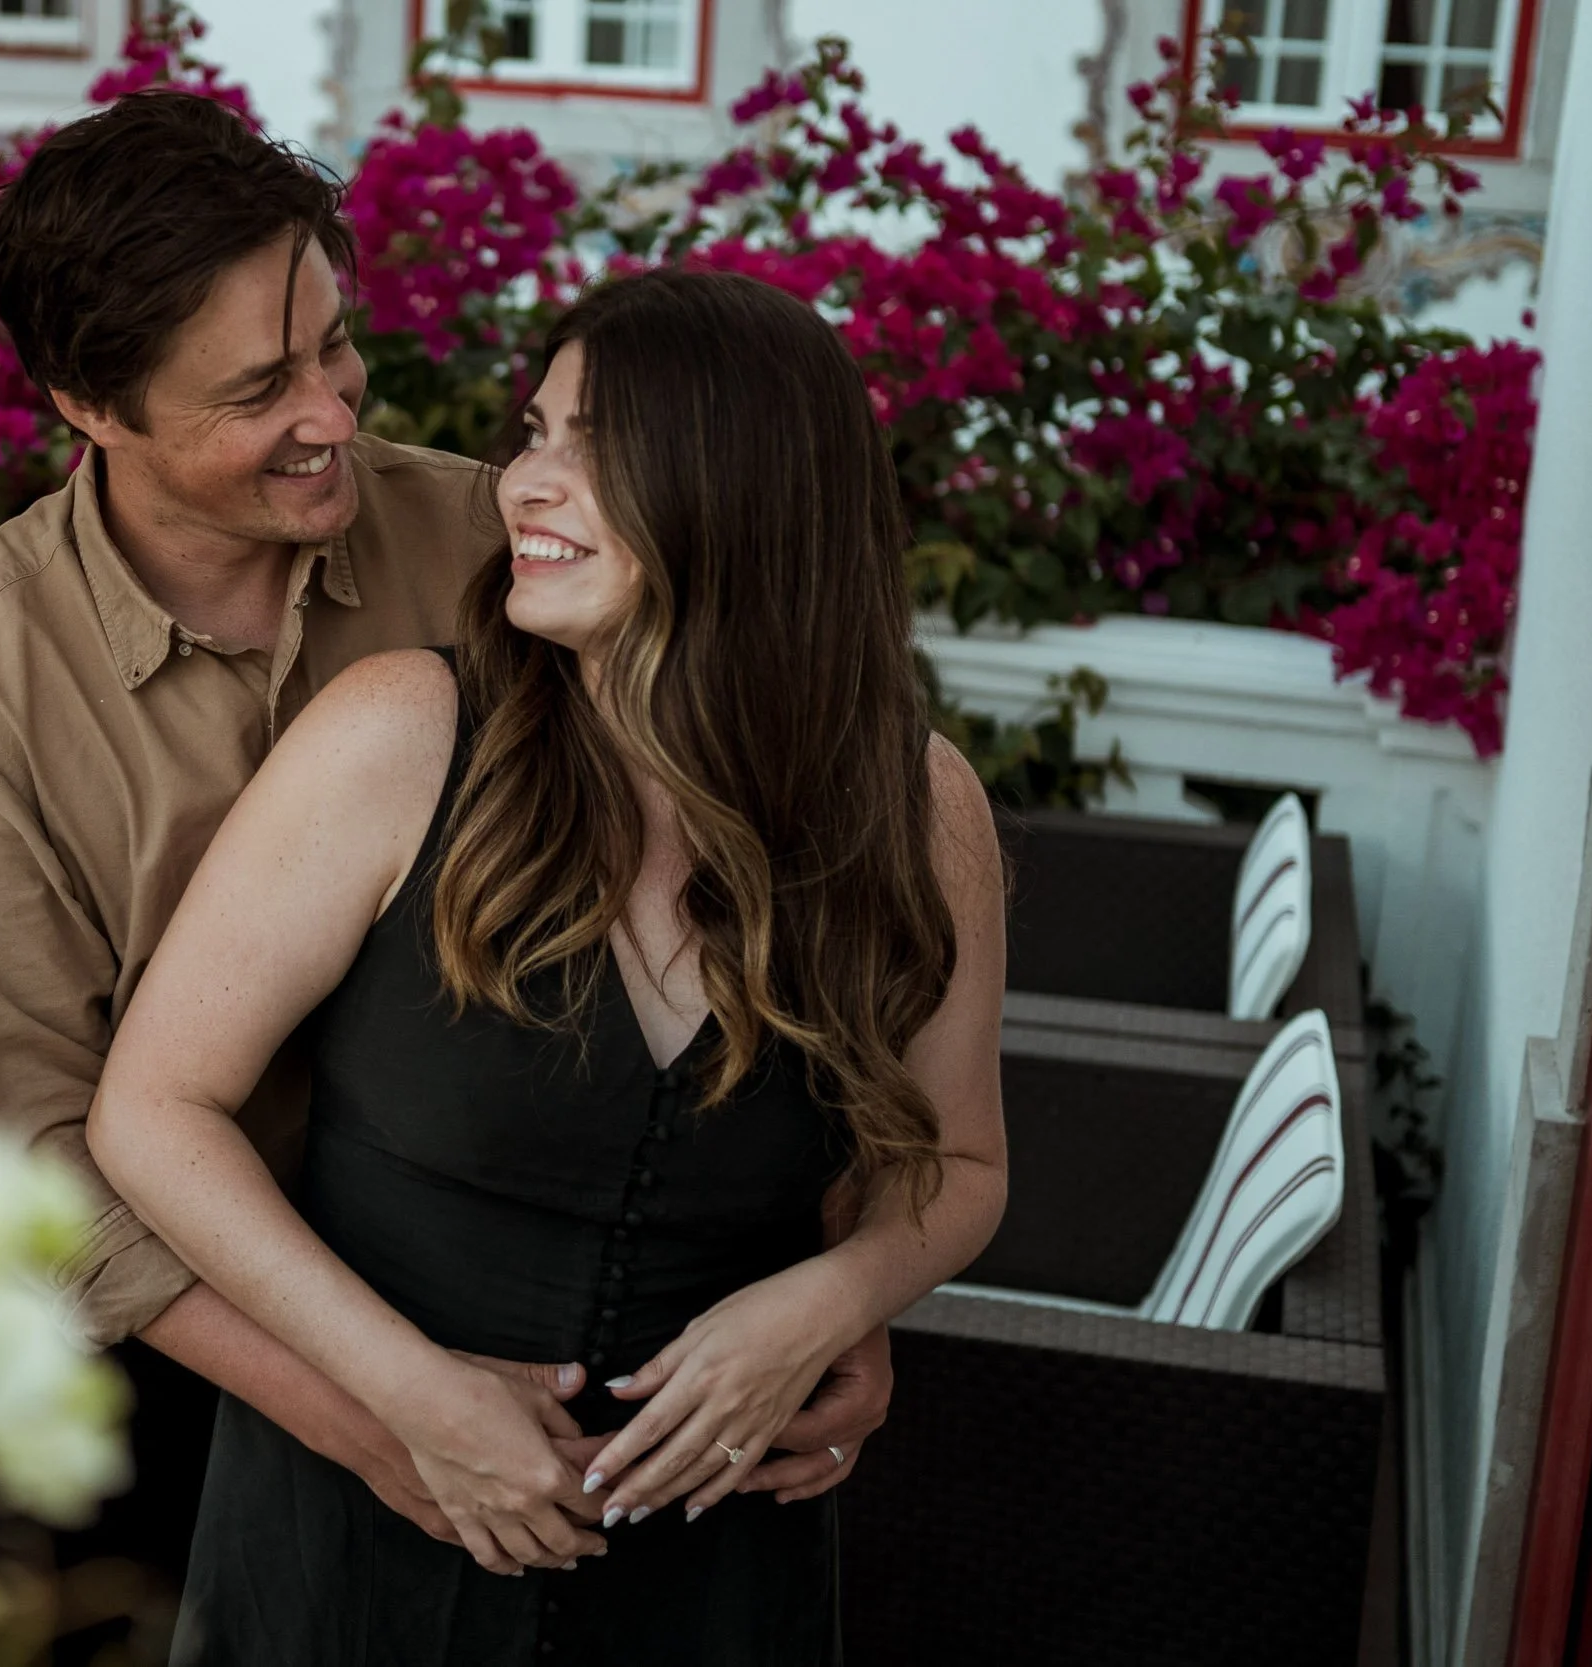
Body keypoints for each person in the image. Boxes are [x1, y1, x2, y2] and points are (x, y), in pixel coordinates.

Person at [0, 90, 895, 1612]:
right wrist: (378, 1417)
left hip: (501, 1318)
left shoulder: (499, 541)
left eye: (334, 342)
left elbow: (770, 871)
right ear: (89, 403)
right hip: (150, 1346)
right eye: (260, 386)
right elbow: (37, 1161)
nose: (336, 411)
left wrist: (839, 1283)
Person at [86, 268, 1011, 1665]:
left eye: (591, 447)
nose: (524, 481)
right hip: (362, 1552)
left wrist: (834, 1296)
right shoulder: (397, 734)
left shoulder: (917, 807)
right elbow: (151, 1110)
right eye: (533, 432)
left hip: (716, 1583)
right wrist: (403, 1392)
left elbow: (961, 1169)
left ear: (745, 492)